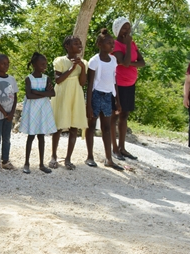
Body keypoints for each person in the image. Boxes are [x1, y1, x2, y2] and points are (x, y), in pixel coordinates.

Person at [85, 29, 123, 170]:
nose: (112, 45)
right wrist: (88, 104)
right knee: (91, 125)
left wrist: (117, 100)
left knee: (106, 127)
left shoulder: (113, 60)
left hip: (108, 96)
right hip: (95, 95)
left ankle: (109, 159)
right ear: (100, 44)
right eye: (109, 43)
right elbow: (90, 83)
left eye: (113, 43)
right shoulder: (94, 61)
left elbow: (114, 80)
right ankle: (90, 156)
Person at [50, 36, 87, 170]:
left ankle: (68, 158)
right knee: (58, 126)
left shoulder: (84, 63)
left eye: (80, 43)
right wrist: (72, 68)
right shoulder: (60, 60)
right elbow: (58, 80)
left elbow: (82, 83)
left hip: (75, 95)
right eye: (76, 43)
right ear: (67, 46)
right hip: (62, 95)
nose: (79, 45)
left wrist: (82, 67)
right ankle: (53, 156)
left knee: (74, 127)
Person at [111, 17, 145, 161]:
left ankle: (122, 147)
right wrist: (129, 47)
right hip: (117, 84)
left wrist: (130, 62)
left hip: (130, 84)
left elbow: (142, 62)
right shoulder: (115, 44)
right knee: (115, 115)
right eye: (124, 27)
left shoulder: (132, 43)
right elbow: (123, 63)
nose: (127, 30)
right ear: (118, 29)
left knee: (124, 115)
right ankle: (114, 148)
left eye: (129, 27)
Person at [19, 53, 57, 174]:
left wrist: (37, 92)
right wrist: (44, 93)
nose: (44, 66)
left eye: (45, 64)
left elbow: (53, 93)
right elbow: (29, 95)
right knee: (31, 136)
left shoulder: (47, 78)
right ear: (34, 65)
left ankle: (41, 164)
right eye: (42, 64)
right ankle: (26, 163)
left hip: (43, 110)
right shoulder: (29, 78)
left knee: (41, 136)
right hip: (33, 111)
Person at [0, 54, 18, 171]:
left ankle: (5, 160)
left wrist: (12, 112)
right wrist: (4, 112)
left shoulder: (11, 79)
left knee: (7, 137)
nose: (6, 65)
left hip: (9, 114)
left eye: (7, 63)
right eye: (3, 63)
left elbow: (15, 96)